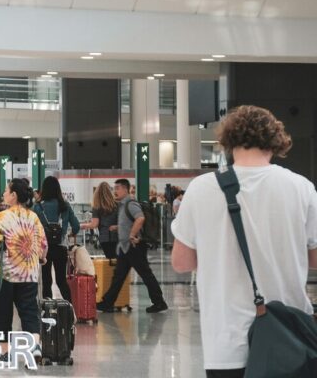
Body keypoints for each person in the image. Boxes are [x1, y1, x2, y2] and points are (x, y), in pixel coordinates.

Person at [171, 105, 317, 378]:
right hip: (290, 339)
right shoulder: (301, 188)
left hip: (225, 343)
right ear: (276, 141)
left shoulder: (201, 188)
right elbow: (315, 258)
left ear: (228, 141)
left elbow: (181, 262)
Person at [0, 178, 47, 363]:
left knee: (3, 312)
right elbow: (43, 245)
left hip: (5, 274)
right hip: (29, 273)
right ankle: (35, 345)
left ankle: (6, 353)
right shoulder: (33, 217)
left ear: (13, 195)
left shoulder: (2, 217)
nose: (4, 194)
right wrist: (41, 259)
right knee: (29, 311)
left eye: (6, 191)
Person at [97, 178, 168, 313]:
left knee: (146, 274)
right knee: (118, 276)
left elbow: (140, 218)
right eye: (114, 188)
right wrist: (118, 227)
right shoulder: (122, 205)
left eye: (117, 188)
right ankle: (107, 303)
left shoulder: (130, 203)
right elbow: (129, 222)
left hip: (134, 247)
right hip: (126, 248)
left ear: (125, 189)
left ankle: (159, 302)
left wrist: (132, 234)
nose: (115, 191)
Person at [33, 176, 81, 301]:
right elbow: (76, 226)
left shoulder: (38, 207)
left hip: (44, 249)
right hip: (61, 247)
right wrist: (70, 234)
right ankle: (70, 309)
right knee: (61, 281)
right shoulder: (65, 206)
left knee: (46, 280)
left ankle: (47, 312)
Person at [81, 182, 119, 258]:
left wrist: (82, 225)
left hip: (105, 238)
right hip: (118, 237)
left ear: (97, 193)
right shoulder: (117, 204)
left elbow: (94, 224)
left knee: (111, 261)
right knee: (118, 261)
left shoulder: (97, 206)